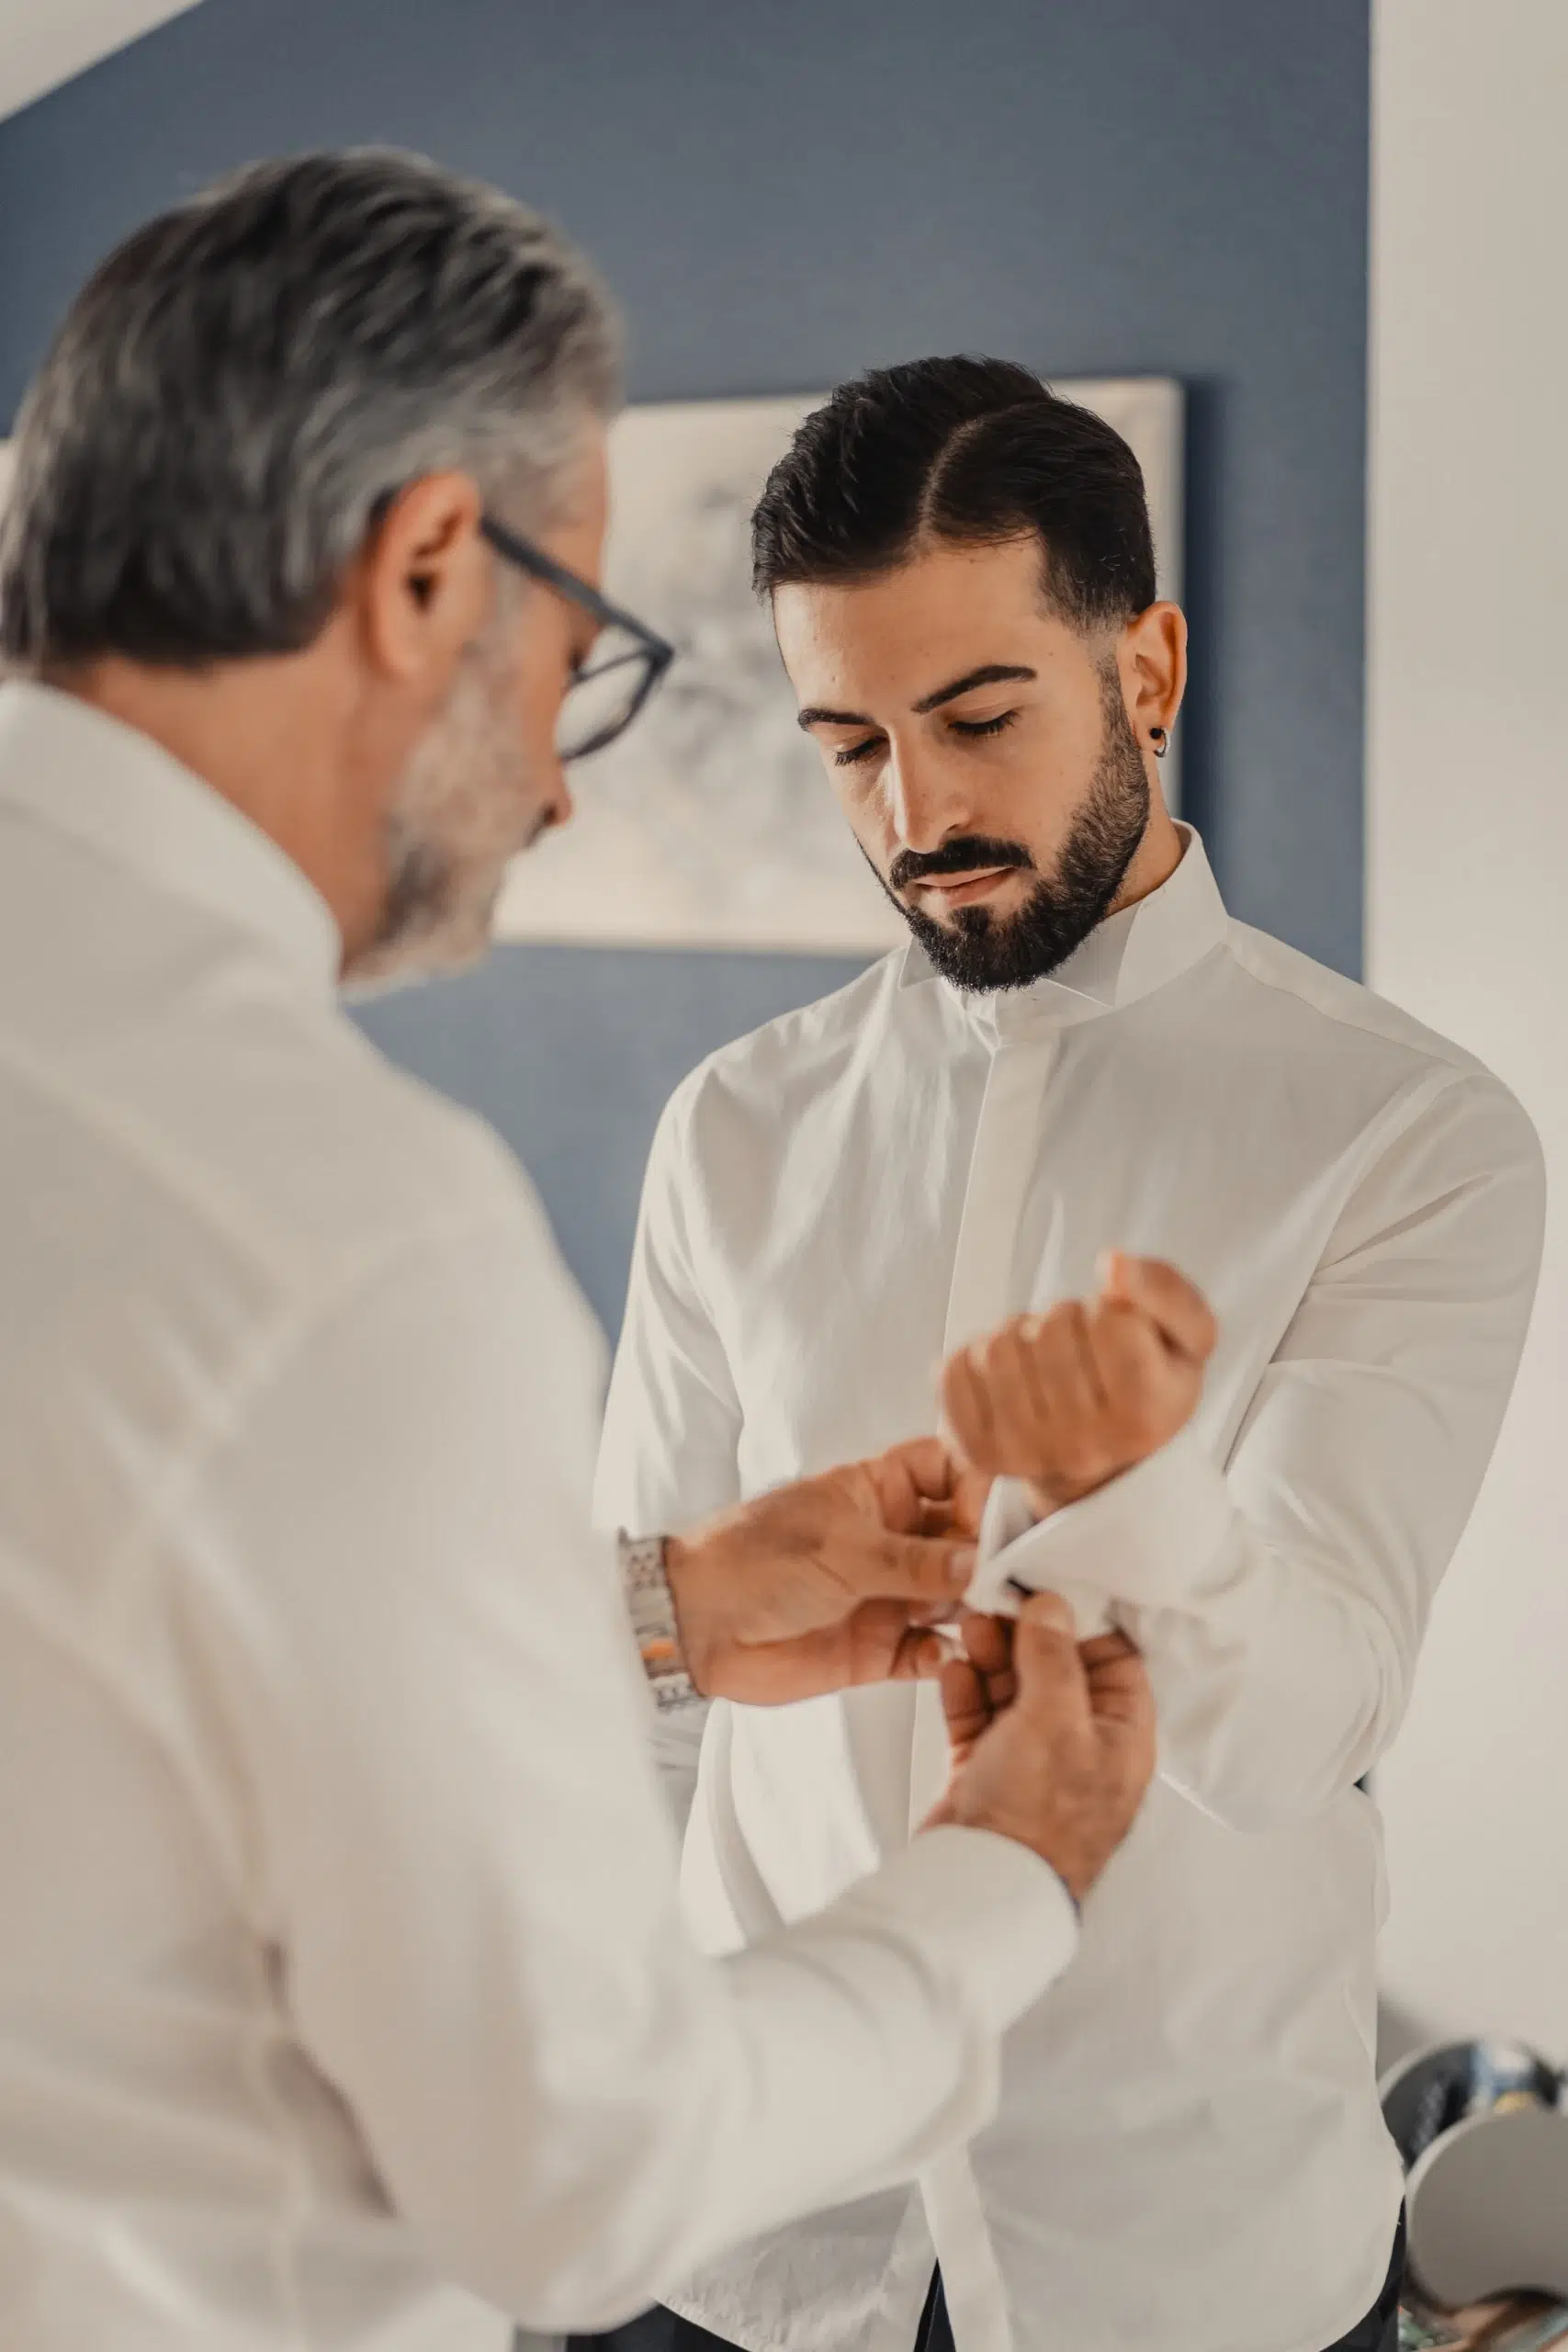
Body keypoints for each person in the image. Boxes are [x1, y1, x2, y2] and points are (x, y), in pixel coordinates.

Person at [0, 161, 1161, 2352]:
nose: (550, 786)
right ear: (428, 567)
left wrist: (657, 1609)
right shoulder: (338, 1226)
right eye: (570, 657)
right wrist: (1007, 1867)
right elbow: (580, 2169)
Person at [592, 359, 1547, 2352]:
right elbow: (658, 1700)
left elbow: (1299, 1733)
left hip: (1175, 2262)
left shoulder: (1409, 1132)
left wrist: (1139, 1492)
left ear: (1148, 668)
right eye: (847, 742)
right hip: (751, 2235)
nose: (912, 814)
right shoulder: (732, 1128)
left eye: (976, 717)